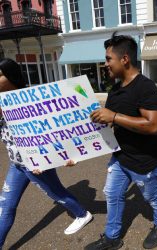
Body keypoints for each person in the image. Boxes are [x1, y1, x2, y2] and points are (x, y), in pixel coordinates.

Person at [85, 34, 157, 250]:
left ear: (124, 59)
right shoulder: (115, 91)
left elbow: (152, 126)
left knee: (152, 196)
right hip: (120, 157)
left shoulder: (146, 87)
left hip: (145, 161)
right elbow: (108, 125)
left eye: (108, 59)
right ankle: (112, 238)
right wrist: (77, 150)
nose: (105, 65)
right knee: (112, 194)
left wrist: (113, 116)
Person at [0, 58, 92, 249]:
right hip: (16, 163)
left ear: (11, 77)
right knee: (5, 207)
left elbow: (53, 129)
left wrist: (55, 156)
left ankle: (82, 214)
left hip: (36, 163)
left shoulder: (31, 100)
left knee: (57, 194)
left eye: (0, 75)